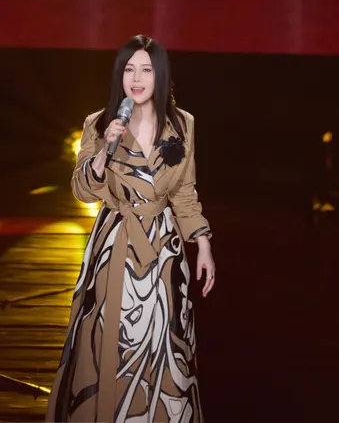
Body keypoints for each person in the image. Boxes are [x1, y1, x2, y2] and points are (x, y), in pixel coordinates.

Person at [45, 35, 215, 422]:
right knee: (110, 340)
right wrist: (102, 153)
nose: (136, 79)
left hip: (164, 250)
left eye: (146, 70)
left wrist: (202, 242)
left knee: (165, 340)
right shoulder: (99, 123)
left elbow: (184, 192)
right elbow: (82, 191)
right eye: (129, 69)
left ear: (161, 75)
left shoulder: (183, 123)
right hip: (115, 246)